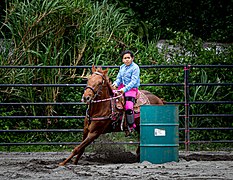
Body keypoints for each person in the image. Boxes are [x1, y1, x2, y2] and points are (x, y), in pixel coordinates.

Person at [112, 50, 140, 131]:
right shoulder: (122, 67)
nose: (126, 60)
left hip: (131, 89)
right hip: (121, 87)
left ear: (132, 58)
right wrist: (115, 84)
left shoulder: (135, 68)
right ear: (122, 60)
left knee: (128, 106)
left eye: (128, 58)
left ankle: (131, 126)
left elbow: (133, 81)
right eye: (125, 58)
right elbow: (119, 78)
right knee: (112, 99)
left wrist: (124, 89)